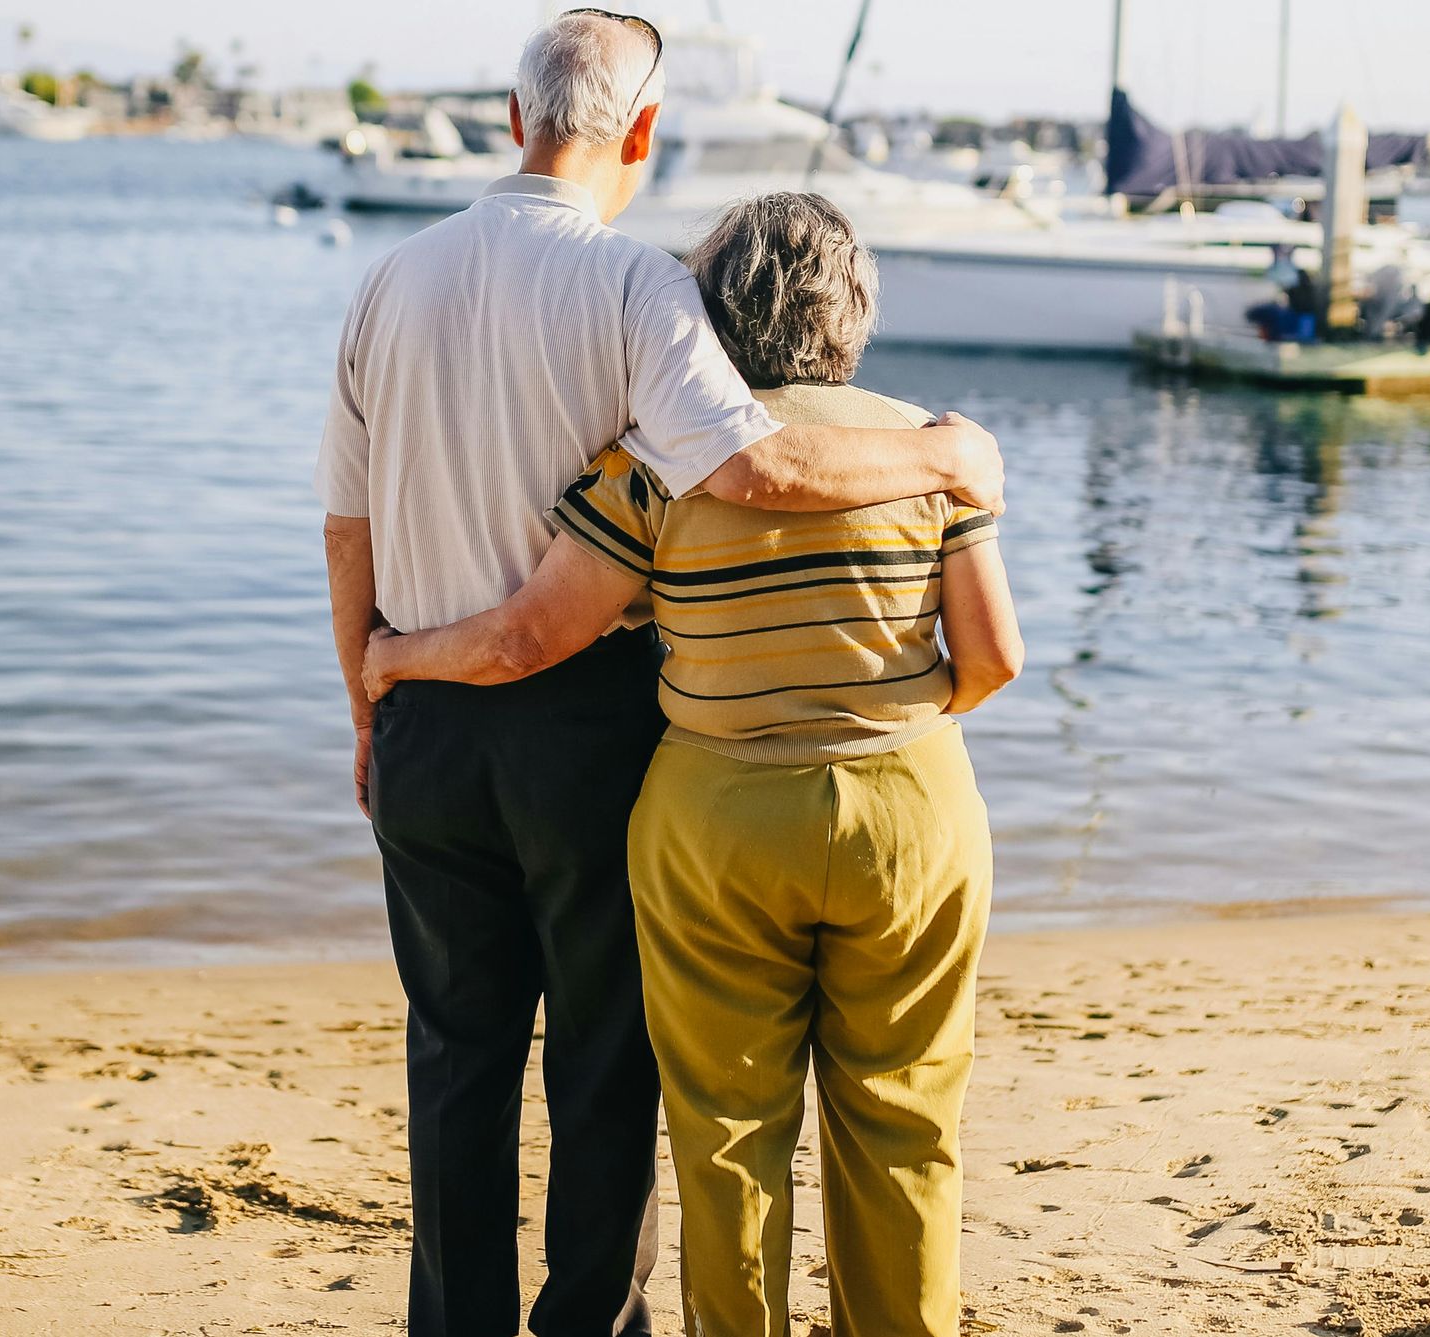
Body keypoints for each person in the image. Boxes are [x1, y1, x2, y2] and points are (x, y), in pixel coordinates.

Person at [315, 12, 1007, 1336]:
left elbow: (346, 525)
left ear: (516, 119)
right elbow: (752, 465)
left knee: (454, 1058)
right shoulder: (638, 287)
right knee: (601, 1056)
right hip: (584, 727)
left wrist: (369, 694)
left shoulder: (387, 280)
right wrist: (945, 457)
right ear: (637, 133)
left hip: (425, 720)